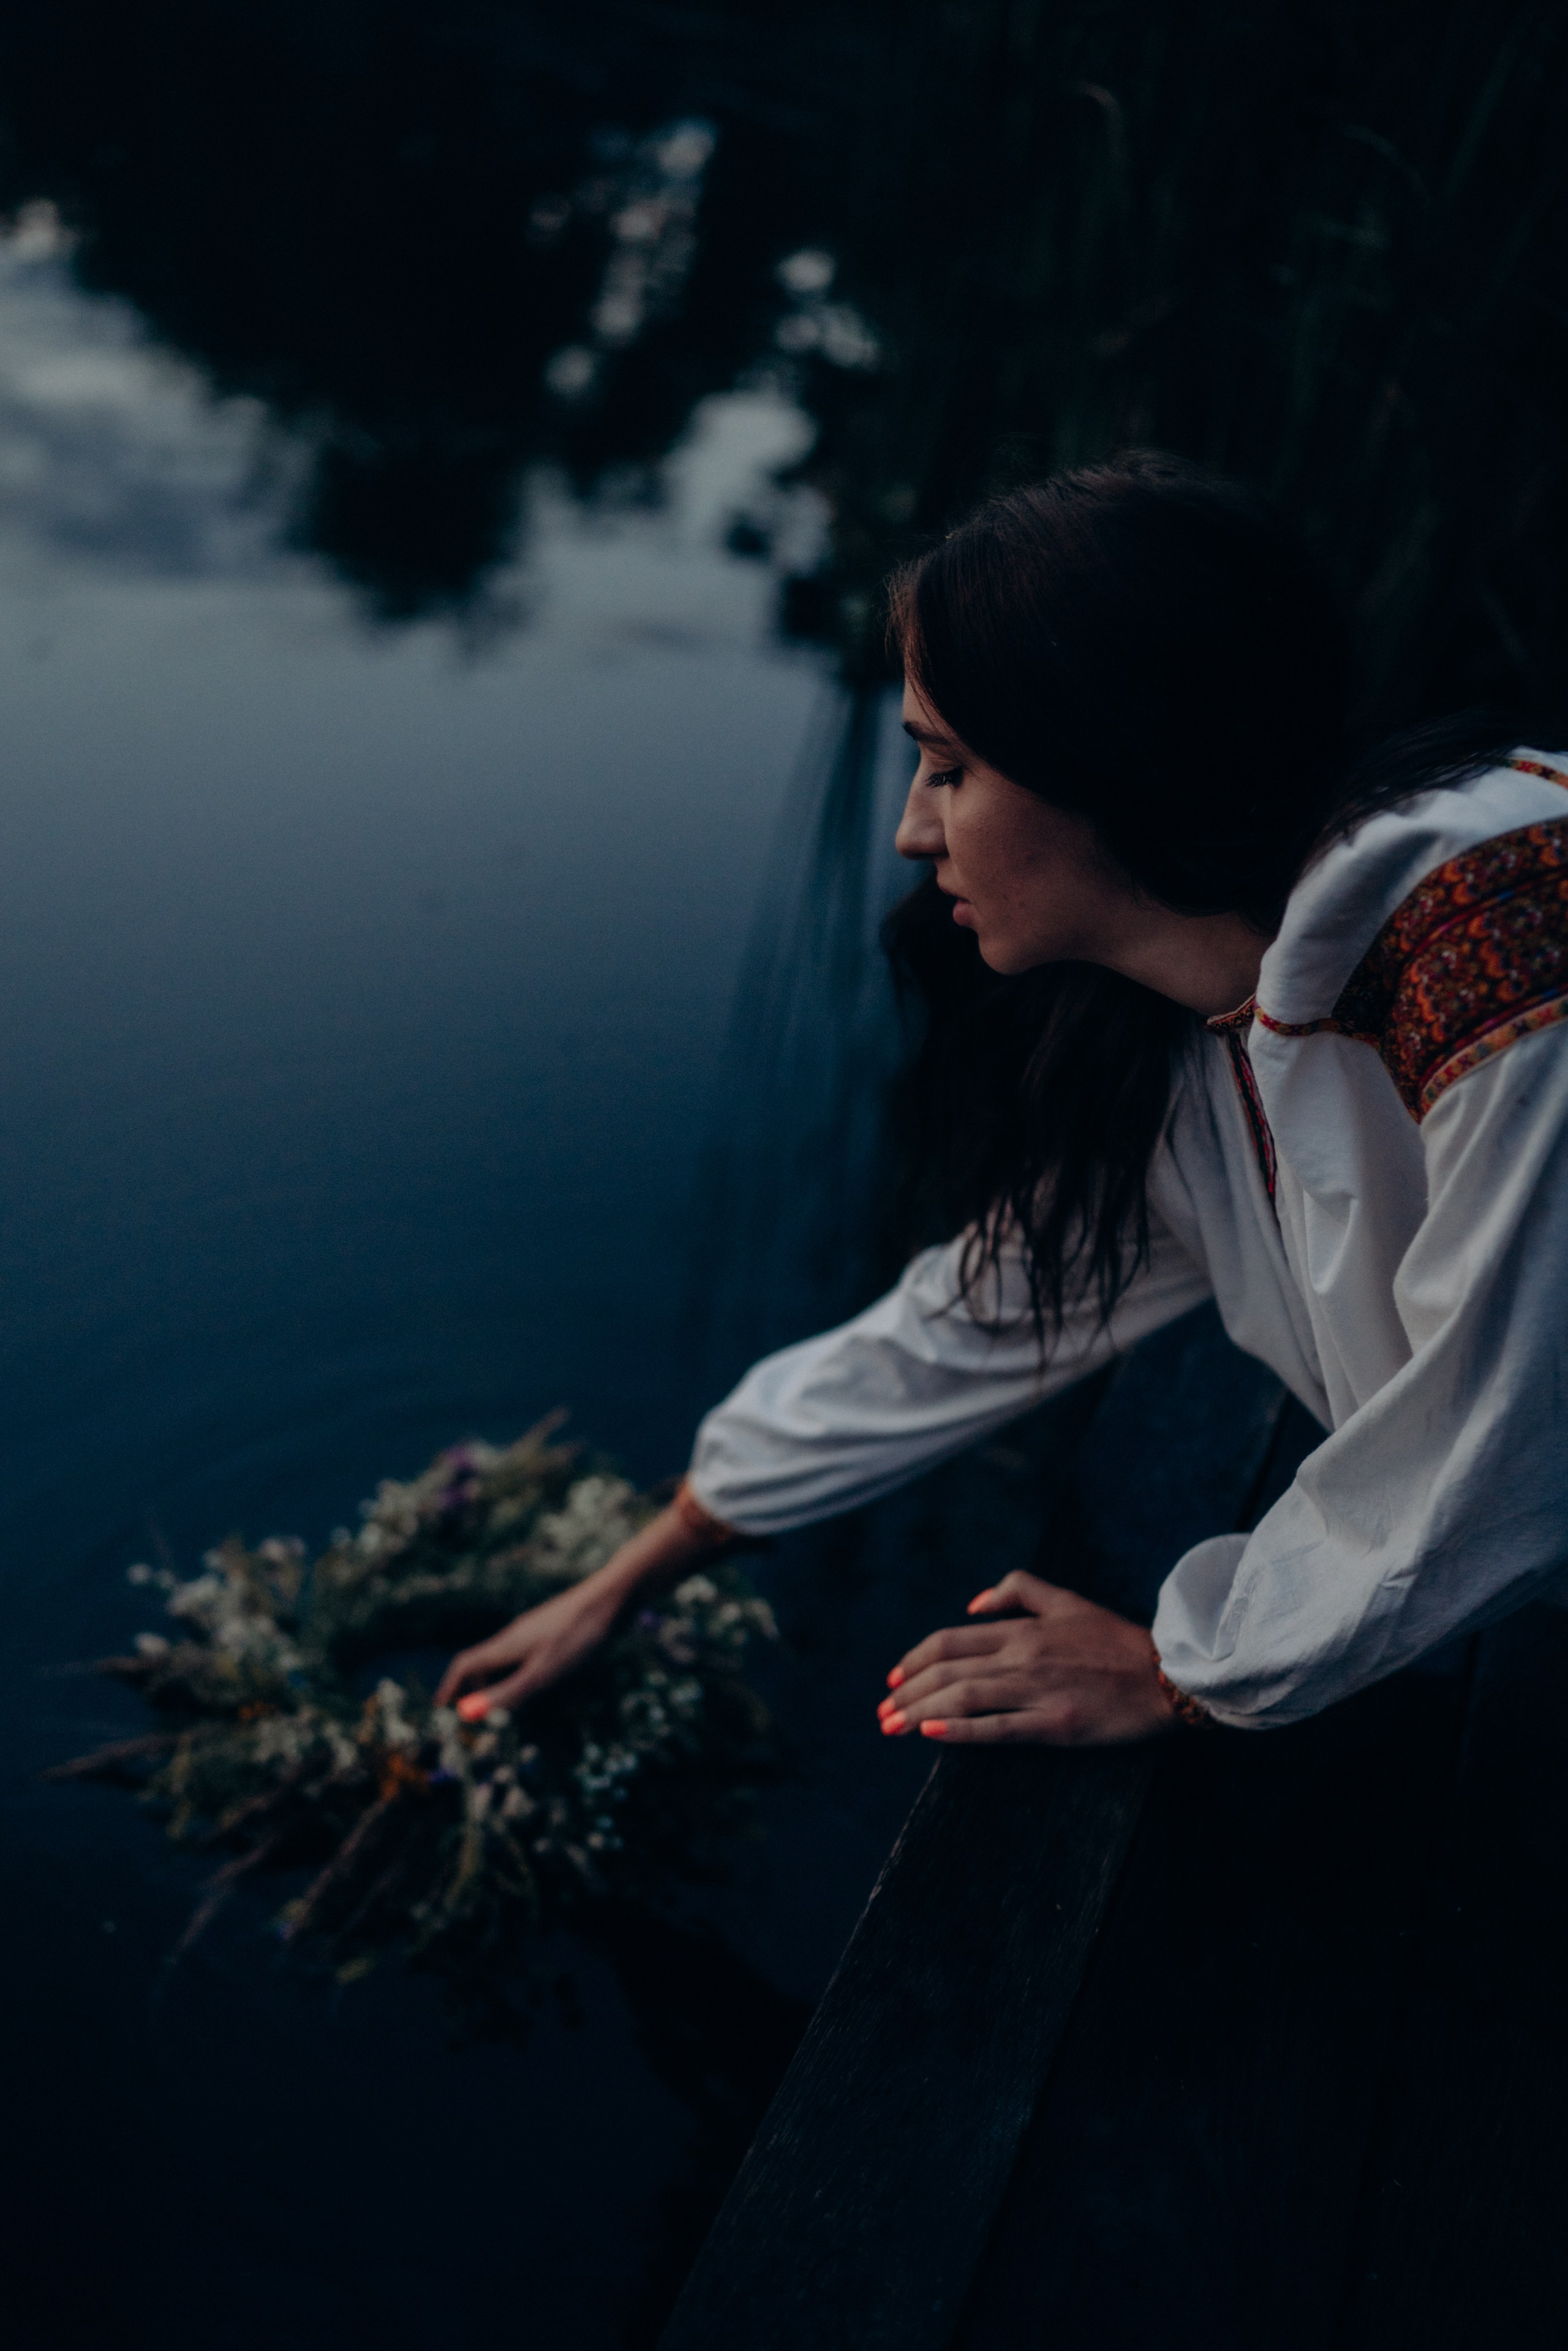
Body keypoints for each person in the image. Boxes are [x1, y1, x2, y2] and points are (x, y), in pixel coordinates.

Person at [437, 451, 1568, 1743]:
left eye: (947, 766)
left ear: (1103, 750)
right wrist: (622, 1580)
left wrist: (1186, 1670)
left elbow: (1514, 1435)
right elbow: (964, 1325)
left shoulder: (1503, 922)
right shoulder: (1192, 1044)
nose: (915, 832)